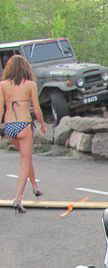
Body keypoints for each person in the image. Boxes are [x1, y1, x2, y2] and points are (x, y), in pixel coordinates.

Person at [0, 54, 46, 214]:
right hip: (24, 125)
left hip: (9, 127)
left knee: (26, 158)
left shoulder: (2, 85)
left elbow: (0, 110)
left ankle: (35, 186)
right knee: (25, 161)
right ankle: (18, 199)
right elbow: (37, 110)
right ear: (26, 67)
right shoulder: (31, 85)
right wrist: (42, 124)